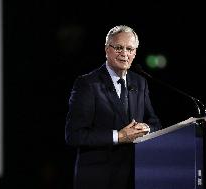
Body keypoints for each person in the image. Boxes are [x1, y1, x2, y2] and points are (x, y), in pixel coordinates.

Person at [65, 25, 162, 189]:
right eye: (118, 48)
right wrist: (119, 136)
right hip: (97, 178)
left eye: (130, 49)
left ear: (135, 53)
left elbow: (155, 123)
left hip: (133, 177)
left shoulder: (140, 82)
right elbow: (74, 135)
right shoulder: (87, 84)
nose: (124, 53)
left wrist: (145, 128)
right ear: (106, 49)